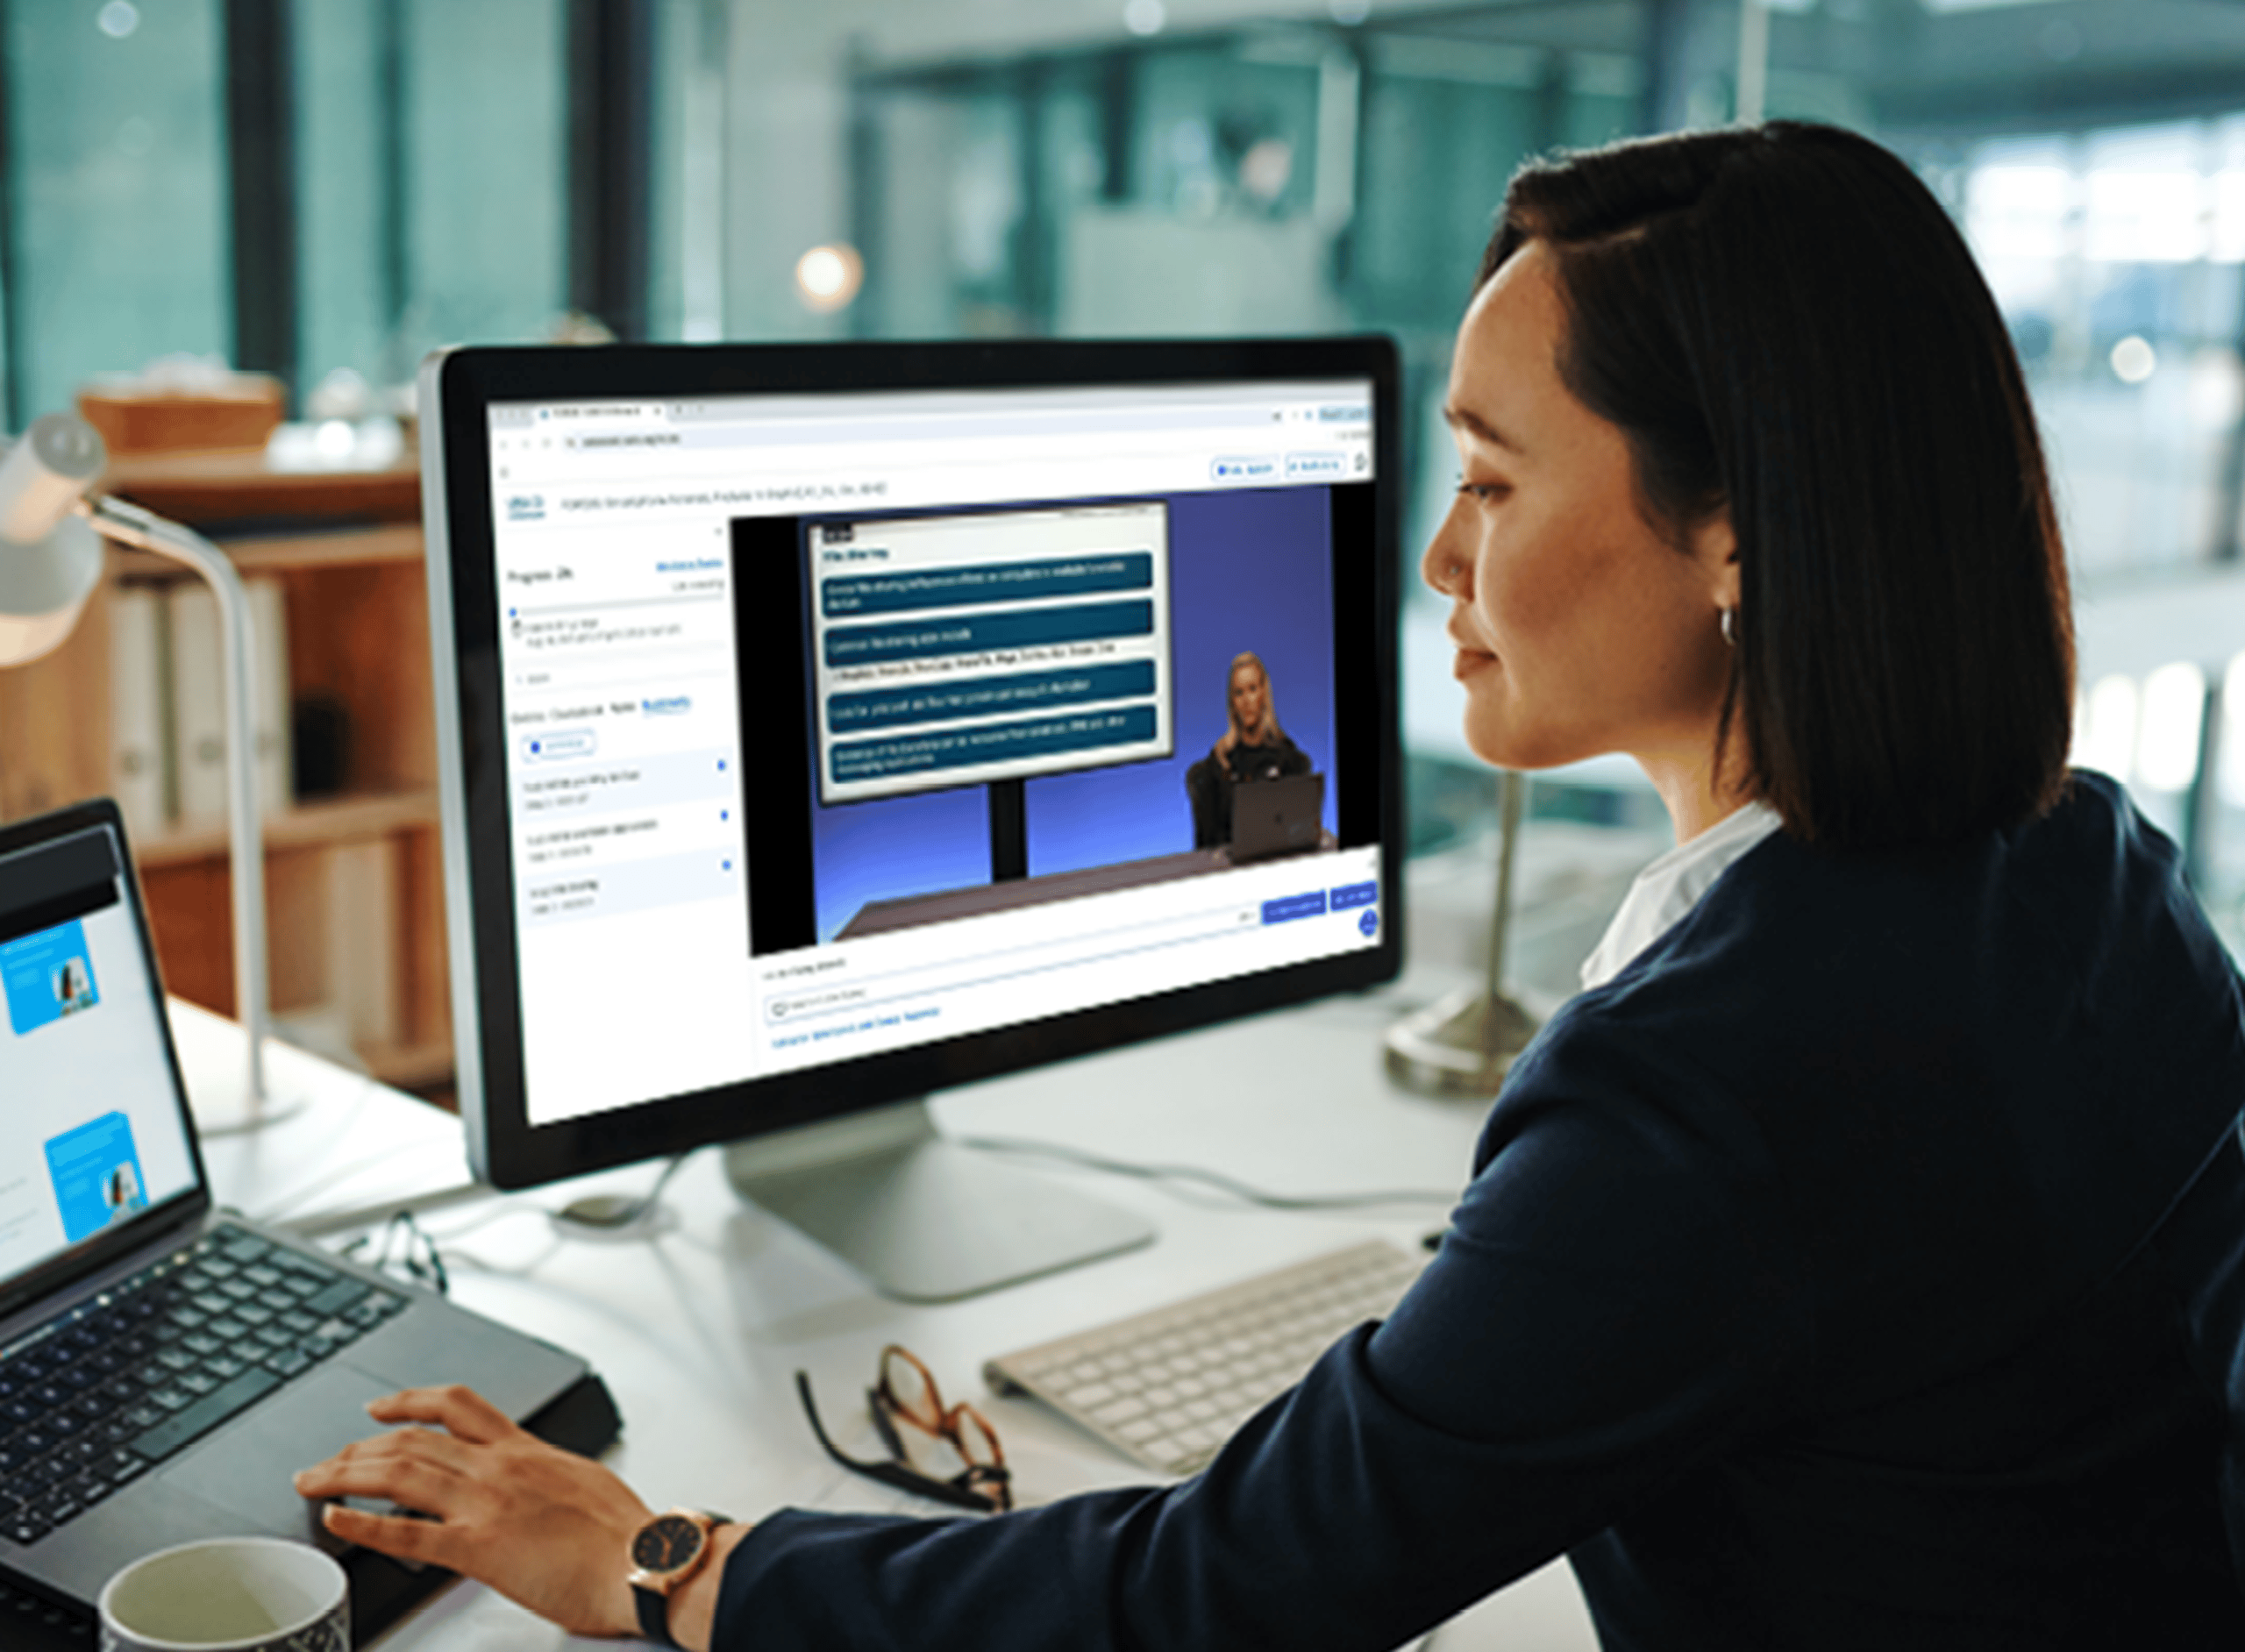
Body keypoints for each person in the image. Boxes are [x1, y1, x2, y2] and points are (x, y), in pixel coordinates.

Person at [295, 121, 2245, 1649]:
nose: (1434, 559)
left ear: (1730, 529)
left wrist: (662, 1559)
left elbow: (1221, 1603)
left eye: (1489, 479)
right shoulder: (2084, 867)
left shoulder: (1715, 1089)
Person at [1185, 650, 1313, 849]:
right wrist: (1221, 763)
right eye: (1239, 693)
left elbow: (1298, 833)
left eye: (1252, 689)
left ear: (1264, 693)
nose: (1246, 701)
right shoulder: (1219, 761)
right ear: (1232, 703)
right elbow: (1209, 845)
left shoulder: (1287, 756)